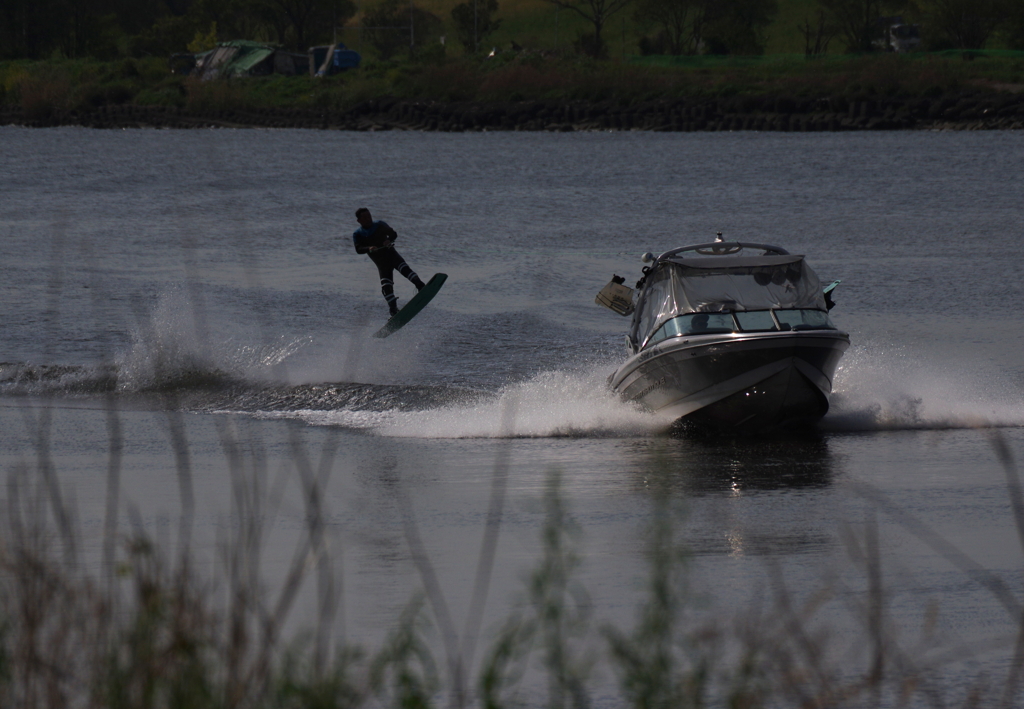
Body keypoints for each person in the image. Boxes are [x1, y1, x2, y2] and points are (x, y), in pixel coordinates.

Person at [352, 207, 426, 317]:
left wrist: (388, 240)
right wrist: (369, 248)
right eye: (365, 217)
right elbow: (358, 249)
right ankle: (393, 310)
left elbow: (393, 234)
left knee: (405, 270)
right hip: (381, 264)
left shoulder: (379, 225)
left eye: (369, 216)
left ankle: (421, 286)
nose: (369, 218)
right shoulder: (358, 234)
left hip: (392, 256)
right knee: (386, 288)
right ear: (359, 220)